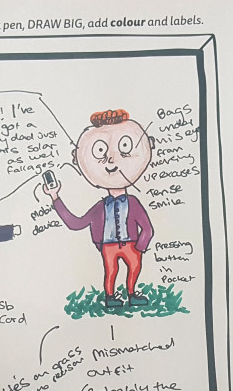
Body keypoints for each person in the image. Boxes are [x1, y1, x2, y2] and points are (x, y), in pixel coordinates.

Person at [43, 109, 154, 308]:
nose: (111, 159)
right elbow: (76, 224)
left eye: (125, 146)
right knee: (111, 272)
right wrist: (55, 197)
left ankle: (132, 294)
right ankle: (110, 297)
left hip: (131, 244)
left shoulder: (133, 203)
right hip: (108, 245)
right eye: (100, 151)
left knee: (134, 267)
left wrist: (140, 246)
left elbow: (147, 228)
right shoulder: (100, 208)